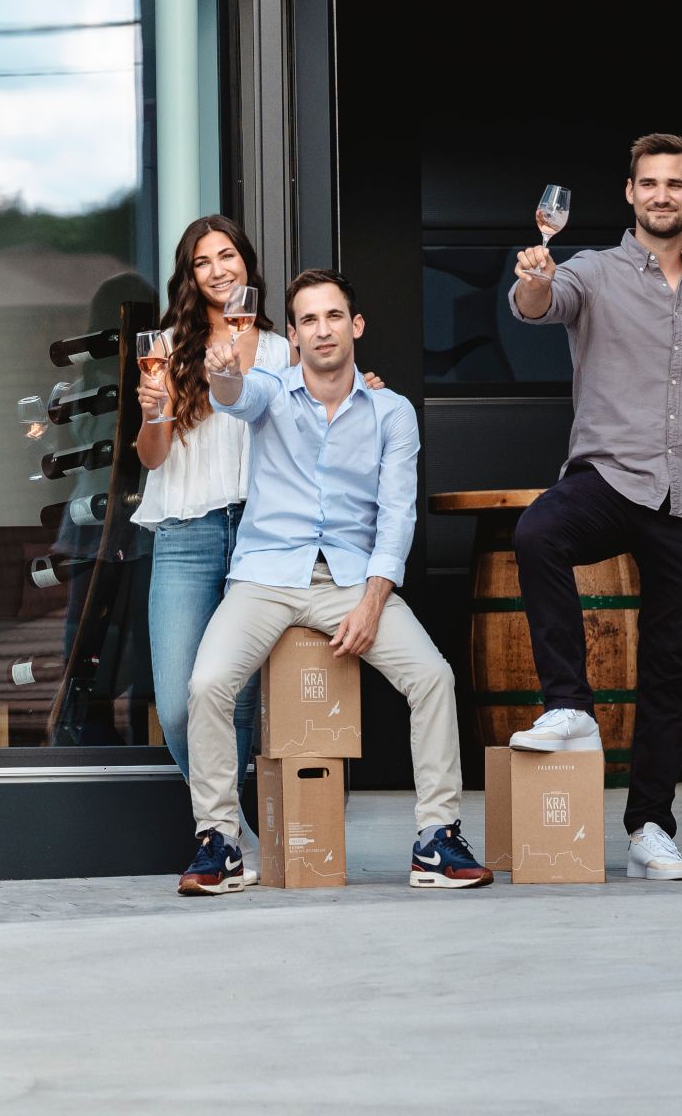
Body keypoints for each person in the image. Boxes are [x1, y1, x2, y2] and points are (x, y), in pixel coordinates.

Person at [174, 269, 489, 895]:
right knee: (207, 685)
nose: (323, 329)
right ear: (292, 336)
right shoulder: (269, 392)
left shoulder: (392, 413)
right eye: (309, 320)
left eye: (334, 316)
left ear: (356, 325)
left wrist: (375, 600)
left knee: (433, 678)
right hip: (266, 574)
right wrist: (219, 368)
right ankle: (220, 843)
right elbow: (234, 395)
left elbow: (398, 514)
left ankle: (436, 838)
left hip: (349, 577)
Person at [504, 132, 682, 881]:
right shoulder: (591, 272)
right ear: (629, 194)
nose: (662, 195)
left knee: (669, 670)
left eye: (676, 184)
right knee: (537, 531)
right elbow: (537, 305)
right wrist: (534, 276)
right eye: (649, 183)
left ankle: (650, 827)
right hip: (611, 475)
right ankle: (569, 703)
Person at [133, 216, 284, 798]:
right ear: (190, 277)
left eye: (227, 256)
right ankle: (231, 830)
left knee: (235, 702)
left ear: (246, 262)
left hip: (258, 535)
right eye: (203, 262)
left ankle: (221, 839)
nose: (218, 270)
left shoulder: (280, 349)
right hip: (184, 535)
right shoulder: (168, 349)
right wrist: (155, 413)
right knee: (176, 705)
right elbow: (152, 458)